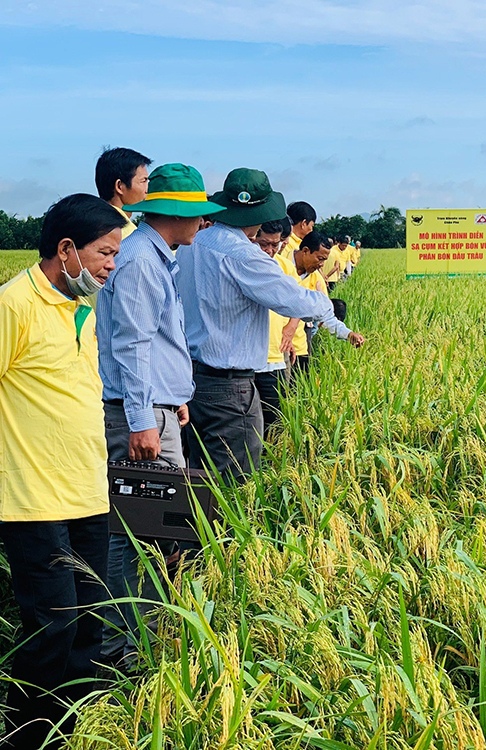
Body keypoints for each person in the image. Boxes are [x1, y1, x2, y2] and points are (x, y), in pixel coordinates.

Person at [0, 194, 127, 749]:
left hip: (87, 494)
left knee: (89, 625)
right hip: (32, 501)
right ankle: (29, 736)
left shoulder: (83, 307)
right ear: (67, 249)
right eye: (105, 253)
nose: (111, 266)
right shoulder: (13, 306)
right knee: (53, 629)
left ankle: (74, 730)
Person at [95, 164, 224, 669]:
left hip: (159, 408)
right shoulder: (142, 263)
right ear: (178, 213)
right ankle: (120, 654)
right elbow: (131, 343)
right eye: (198, 214)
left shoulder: (157, 256)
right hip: (141, 416)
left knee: (160, 530)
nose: (203, 223)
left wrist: (174, 396)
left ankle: (142, 637)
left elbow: (159, 342)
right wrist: (144, 417)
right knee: (135, 534)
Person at [176, 169, 364, 479]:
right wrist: (327, 305)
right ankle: (223, 528)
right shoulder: (243, 255)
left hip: (191, 378)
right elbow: (294, 299)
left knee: (199, 469)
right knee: (235, 476)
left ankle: (198, 525)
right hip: (228, 384)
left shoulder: (192, 244)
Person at [253, 219, 298, 433]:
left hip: (276, 355)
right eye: (263, 244)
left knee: (275, 419)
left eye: (275, 244)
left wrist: (290, 330)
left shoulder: (285, 266)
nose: (269, 250)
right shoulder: (242, 264)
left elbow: (297, 302)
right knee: (250, 423)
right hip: (248, 360)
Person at [289, 231, 332, 374]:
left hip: (300, 344)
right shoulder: (280, 265)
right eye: (320, 259)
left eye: (324, 260)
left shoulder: (316, 278)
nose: (321, 265)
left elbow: (325, 312)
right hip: (274, 347)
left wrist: (347, 334)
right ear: (305, 251)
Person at [95, 147, 152, 240]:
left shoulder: (91, 222)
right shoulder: (127, 234)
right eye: (143, 181)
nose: (147, 189)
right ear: (119, 186)